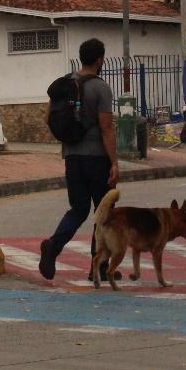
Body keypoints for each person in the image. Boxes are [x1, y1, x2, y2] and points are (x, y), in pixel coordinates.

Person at [39, 38, 119, 281]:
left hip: (72, 157)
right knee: (103, 211)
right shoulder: (101, 88)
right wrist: (114, 162)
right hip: (97, 159)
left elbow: (47, 118)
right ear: (99, 60)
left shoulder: (66, 83)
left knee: (78, 209)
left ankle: (53, 246)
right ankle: (99, 268)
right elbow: (106, 128)